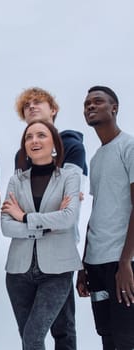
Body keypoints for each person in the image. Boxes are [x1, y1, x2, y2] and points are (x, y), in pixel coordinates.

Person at [14, 87, 87, 350]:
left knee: (63, 327)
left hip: (60, 247)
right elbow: (17, 210)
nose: (31, 107)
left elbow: (68, 202)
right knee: (33, 332)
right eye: (27, 105)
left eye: (38, 102)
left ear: (53, 109)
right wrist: (37, 217)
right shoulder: (22, 156)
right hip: (28, 252)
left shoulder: (71, 145)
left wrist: (26, 217)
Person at [76, 86, 134, 349]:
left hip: (122, 264)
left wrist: (125, 262)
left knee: (126, 339)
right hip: (96, 264)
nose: (90, 106)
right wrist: (84, 264)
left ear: (114, 108)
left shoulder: (129, 146)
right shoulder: (97, 157)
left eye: (98, 101)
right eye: (87, 103)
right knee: (107, 336)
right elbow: (97, 211)